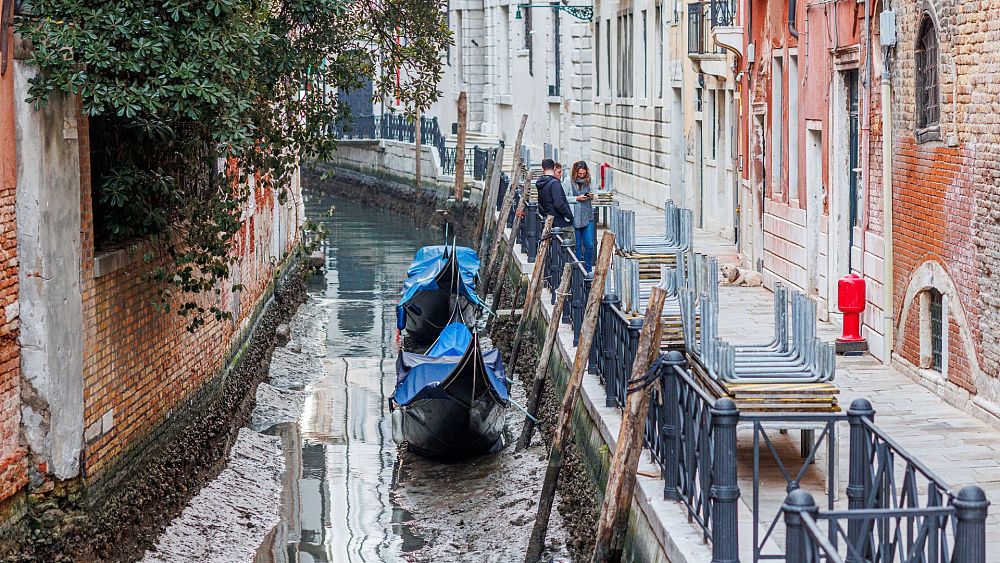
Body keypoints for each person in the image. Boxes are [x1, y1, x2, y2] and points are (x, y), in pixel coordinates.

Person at [567, 161, 595, 270]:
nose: (582, 175)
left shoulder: (590, 179)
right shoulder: (568, 181)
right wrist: (576, 198)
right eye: (580, 173)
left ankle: (588, 269)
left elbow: (595, 193)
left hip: (588, 215)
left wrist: (591, 195)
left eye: (584, 173)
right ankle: (577, 269)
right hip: (574, 216)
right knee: (577, 246)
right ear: (575, 172)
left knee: (589, 244)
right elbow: (563, 197)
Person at [536, 158, 573, 229]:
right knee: (567, 239)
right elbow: (559, 203)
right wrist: (569, 216)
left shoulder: (540, 182)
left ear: (543, 168)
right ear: (554, 168)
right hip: (559, 221)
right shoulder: (554, 183)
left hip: (547, 218)